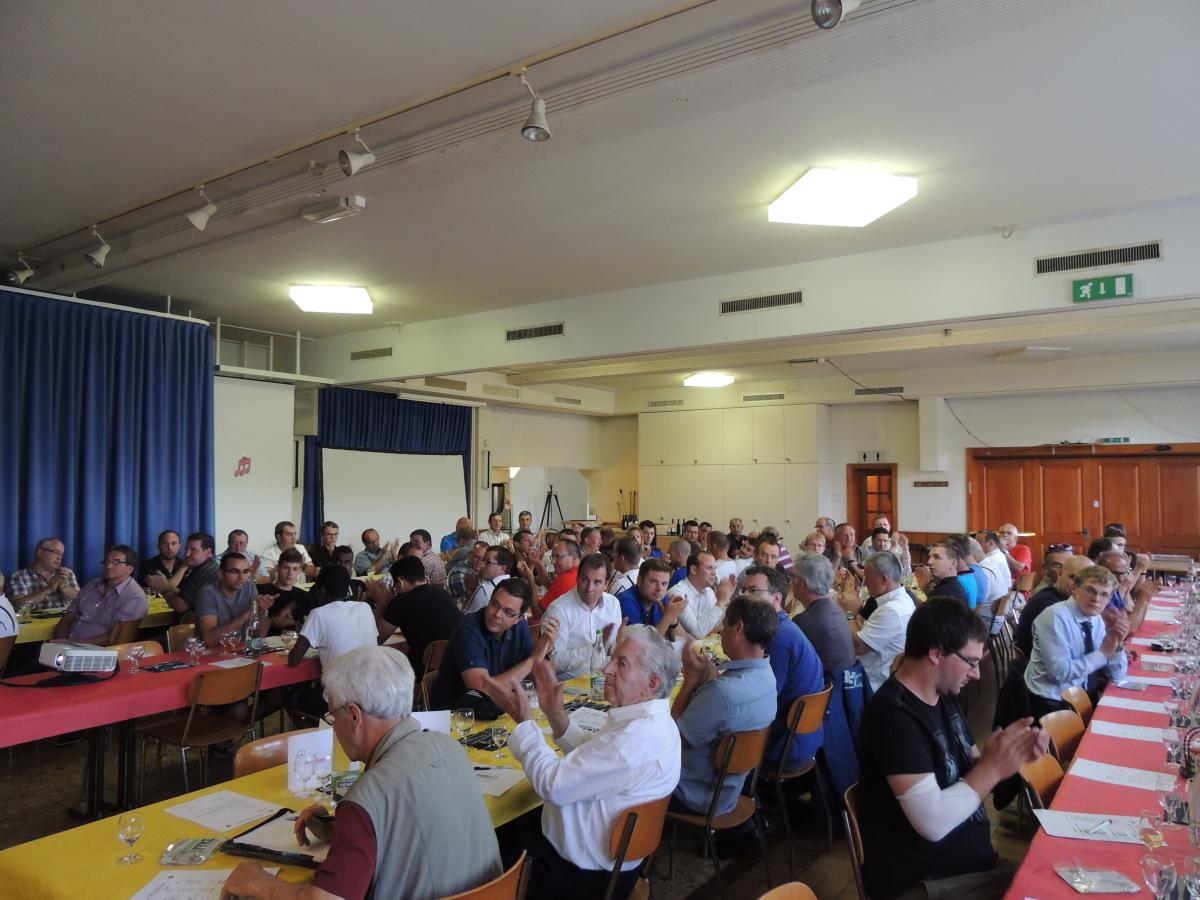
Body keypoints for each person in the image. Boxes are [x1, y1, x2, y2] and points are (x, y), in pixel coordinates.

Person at [222, 646, 502, 900]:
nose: (334, 727)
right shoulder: (449, 747)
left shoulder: (365, 798)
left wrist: (257, 883)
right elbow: (421, 822)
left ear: (354, 716)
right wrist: (338, 829)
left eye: (333, 716)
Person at [858, 599, 1049, 899]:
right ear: (936, 654)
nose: (976, 674)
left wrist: (1001, 757)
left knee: (1051, 877)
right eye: (971, 662)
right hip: (924, 884)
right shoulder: (892, 717)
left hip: (968, 868)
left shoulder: (943, 694)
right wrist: (992, 768)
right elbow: (933, 822)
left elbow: (969, 771)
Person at [487, 626, 682, 900]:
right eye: (612, 658)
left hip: (578, 878)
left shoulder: (633, 741)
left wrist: (524, 721)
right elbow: (595, 759)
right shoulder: (653, 721)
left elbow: (553, 785)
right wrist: (556, 715)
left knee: (485, 844)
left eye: (621, 664)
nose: (606, 669)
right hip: (612, 864)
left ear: (652, 684)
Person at [671, 594, 778, 816]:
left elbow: (671, 740)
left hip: (693, 793)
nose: (720, 631)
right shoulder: (767, 675)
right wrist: (709, 678)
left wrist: (690, 681)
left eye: (725, 624)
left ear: (738, 628)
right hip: (730, 790)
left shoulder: (722, 693)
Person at [430, 578, 557, 712]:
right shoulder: (468, 630)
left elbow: (542, 679)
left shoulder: (520, 627)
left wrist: (548, 649)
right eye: (495, 604)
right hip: (457, 716)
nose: (497, 614)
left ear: (519, 618)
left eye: (508, 612)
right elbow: (482, 689)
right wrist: (532, 661)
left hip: (498, 710)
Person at [740, 565, 825, 766]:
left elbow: (762, 699)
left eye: (753, 591)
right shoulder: (783, 626)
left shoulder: (777, 638)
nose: (744, 597)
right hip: (804, 737)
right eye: (743, 591)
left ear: (776, 598)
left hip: (785, 744)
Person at [1024, 565, 1130, 717]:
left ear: (1110, 598)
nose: (1096, 599)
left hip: (1083, 697)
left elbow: (1118, 675)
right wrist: (1103, 653)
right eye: (1090, 590)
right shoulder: (1055, 617)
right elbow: (1060, 673)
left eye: (1104, 594)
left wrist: (1116, 643)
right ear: (1074, 588)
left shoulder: (1096, 619)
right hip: (1052, 703)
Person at [368, 555, 461, 681]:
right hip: (456, 665)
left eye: (395, 586)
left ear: (401, 581)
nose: (395, 590)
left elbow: (376, 640)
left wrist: (382, 604)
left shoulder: (401, 601)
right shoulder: (443, 593)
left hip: (424, 671)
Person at [544, 554, 622, 678]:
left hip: (605, 679)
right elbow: (554, 662)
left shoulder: (613, 604)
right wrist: (595, 648)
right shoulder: (559, 609)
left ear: (607, 584)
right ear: (577, 578)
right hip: (569, 683)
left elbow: (613, 647)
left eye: (597, 582)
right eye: (584, 580)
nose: (589, 588)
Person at [52, 544, 147, 645]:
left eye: (116, 562)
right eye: (106, 561)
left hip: (99, 651)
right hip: (67, 647)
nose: (108, 566)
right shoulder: (91, 585)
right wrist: (61, 643)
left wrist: (73, 644)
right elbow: (67, 618)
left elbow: (116, 637)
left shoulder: (134, 597)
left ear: (129, 569)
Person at [288, 567, 378, 670]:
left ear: (322, 591)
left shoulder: (318, 614)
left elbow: (293, 659)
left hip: (340, 679)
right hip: (374, 677)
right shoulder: (365, 607)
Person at [852, 552, 917, 692]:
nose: (865, 582)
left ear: (883, 580)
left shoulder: (892, 610)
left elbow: (859, 647)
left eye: (867, 577)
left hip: (871, 682)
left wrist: (849, 614)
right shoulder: (900, 599)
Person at [1014, 554, 1091, 659]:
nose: (1077, 586)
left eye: (1087, 582)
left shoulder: (1064, 601)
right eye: (1073, 578)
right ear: (1059, 574)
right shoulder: (1047, 606)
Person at [791, 552, 857, 673]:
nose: (790, 581)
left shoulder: (805, 621)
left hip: (827, 683)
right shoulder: (836, 610)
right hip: (847, 682)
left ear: (802, 583)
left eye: (792, 576)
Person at [195, 553, 272, 648]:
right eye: (235, 571)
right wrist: (246, 615)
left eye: (245, 572)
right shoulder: (208, 593)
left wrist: (262, 612)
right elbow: (210, 640)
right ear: (221, 574)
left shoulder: (249, 587)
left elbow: (258, 636)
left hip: (241, 650)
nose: (241, 577)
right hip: (213, 653)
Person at [668, 550, 735, 640]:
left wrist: (726, 600)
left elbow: (718, 624)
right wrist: (720, 602)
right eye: (709, 568)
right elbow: (697, 633)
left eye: (715, 568)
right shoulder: (677, 594)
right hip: (678, 647)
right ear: (694, 570)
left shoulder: (709, 591)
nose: (714, 573)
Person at [615, 557, 686, 637]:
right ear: (639, 580)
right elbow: (642, 642)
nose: (659, 589)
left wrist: (673, 620)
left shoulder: (662, 598)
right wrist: (668, 617)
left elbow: (682, 639)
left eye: (664, 584)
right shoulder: (625, 600)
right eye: (653, 581)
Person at [155, 532, 220, 615]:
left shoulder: (206, 571)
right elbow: (185, 594)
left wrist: (163, 590)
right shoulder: (204, 567)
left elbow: (181, 606)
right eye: (186, 549)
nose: (187, 554)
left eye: (193, 550)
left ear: (208, 552)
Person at [10, 537, 79, 612]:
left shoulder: (67, 573)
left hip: (65, 618)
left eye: (61, 554)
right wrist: (49, 588)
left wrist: (64, 587)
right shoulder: (19, 576)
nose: (59, 557)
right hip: (36, 619)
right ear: (40, 553)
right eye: (56, 552)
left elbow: (82, 600)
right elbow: (18, 607)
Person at [257, 548, 308, 631]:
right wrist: (268, 619)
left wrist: (294, 623)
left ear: (300, 571)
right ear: (277, 568)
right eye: (286, 568)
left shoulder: (305, 596)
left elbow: (310, 628)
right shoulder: (260, 590)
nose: (290, 573)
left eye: (295, 569)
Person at [914, 540, 971, 606]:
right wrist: (926, 588)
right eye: (930, 557)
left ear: (953, 564)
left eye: (936, 557)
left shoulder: (942, 592)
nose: (929, 562)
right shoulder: (957, 586)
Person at [465, 545, 513, 614]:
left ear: (503, 568)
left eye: (488, 562)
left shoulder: (484, 590)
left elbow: (467, 617)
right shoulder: (516, 586)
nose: (482, 565)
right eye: (483, 561)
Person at [538, 539, 581, 615]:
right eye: (553, 556)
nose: (553, 561)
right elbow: (554, 590)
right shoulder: (580, 573)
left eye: (558, 556)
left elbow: (538, 613)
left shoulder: (565, 579)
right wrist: (540, 568)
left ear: (574, 558)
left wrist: (530, 578)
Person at [448, 540, 489, 607]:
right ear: (470, 555)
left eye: (484, 559)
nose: (480, 561)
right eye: (477, 557)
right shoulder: (459, 574)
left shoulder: (481, 569)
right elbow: (466, 604)